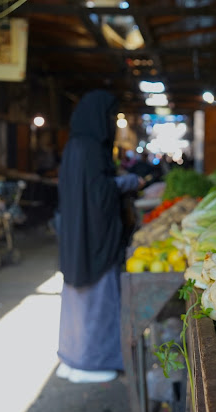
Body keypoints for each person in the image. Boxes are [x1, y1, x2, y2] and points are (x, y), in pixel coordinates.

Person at [56, 90, 144, 383]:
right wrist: (128, 182)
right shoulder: (91, 148)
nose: (111, 123)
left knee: (76, 300)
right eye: (110, 117)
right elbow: (100, 193)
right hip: (96, 238)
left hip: (75, 234)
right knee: (101, 299)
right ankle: (94, 361)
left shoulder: (73, 146)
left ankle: (73, 356)